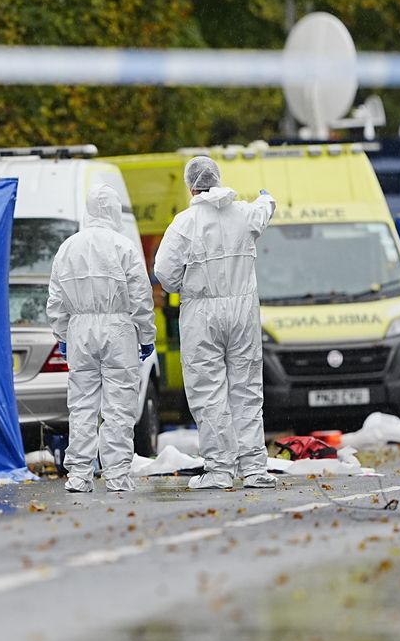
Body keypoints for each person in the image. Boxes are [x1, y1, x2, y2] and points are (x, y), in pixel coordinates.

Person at [154, 156, 277, 490]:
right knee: (247, 390)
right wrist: (266, 197)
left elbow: (164, 273)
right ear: (218, 179)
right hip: (242, 313)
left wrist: (186, 284)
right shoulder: (244, 214)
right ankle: (253, 469)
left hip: (202, 313)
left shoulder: (184, 223)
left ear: (190, 185)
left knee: (209, 392)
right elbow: (266, 209)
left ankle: (220, 470)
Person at [47, 185, 156, 493]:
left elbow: (55, 299)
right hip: (118, 329)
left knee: (81, 405)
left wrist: (63, 334)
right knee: (119, 405)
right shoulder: (124, 247)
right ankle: (118, 476)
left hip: (80, 331)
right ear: (113, 211)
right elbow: (140, 296)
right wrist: (145, 334)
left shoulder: (68, 247)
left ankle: (79, 475)